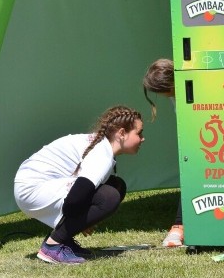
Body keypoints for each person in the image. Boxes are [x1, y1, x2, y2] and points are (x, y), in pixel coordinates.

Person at [14, 105, 145, 264]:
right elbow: (74, 201)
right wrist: (81, 223)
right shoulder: (101, 154)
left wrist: (81, 220)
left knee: (116, 185)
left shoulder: (101, 145)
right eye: (139, 133)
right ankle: (53, 245)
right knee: (109, 197)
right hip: (32, 189)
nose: (142, 138)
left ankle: (64, 239)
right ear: (122, 134)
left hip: (35, 185)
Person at [142, 58, 184, 248]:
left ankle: (179, 227)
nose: (166, 96)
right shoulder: (175, 94)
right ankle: (179, 227)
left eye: (165, 91)